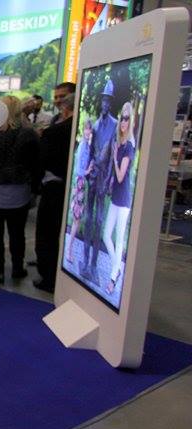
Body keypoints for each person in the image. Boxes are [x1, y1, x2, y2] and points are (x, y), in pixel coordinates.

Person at [0, 95, 42, 283]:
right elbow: (36, 164)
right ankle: (18, 268)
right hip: (20, 191)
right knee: (17, 233)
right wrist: (36, 188)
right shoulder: (29, 134)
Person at [34, 93, 75, 292]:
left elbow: (41, 162)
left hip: (53, 188)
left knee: (48, 234)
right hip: (73, 188)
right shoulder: (83, 130)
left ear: (65, 108)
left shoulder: (54, 132)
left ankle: (48, 277)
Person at [82, 80, 118, 283]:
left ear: (110, 103)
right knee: (88, 218)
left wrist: (111, 179)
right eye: (103, 100)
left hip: (104, 177)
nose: (104, 104)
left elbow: (113, 155)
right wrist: (88, 172)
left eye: (107, 101)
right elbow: (90, 152)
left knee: (98, 220)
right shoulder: (95, 125)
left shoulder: (114, 125)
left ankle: (94, 265)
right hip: (93, 176)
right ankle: (85, 260)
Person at [102, 100, 136, 296]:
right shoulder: (119, 142)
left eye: (127, 119)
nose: (123, 122)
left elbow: (121, 176)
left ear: (131, 121)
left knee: (119, 237)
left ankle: (113, 277)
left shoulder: (128, 146)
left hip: (123, 199)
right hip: (116, 196)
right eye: (122, 118)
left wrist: (115, 158)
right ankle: (118, 266)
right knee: (106, 235)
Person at [65, 119, 93, 266]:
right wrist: (87, 171)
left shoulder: (87, 145)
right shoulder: (83, 145)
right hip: (80, 184)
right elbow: (78, 170)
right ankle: (68, 250)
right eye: (86, 129)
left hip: (82, 185)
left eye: (90, 129)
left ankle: (69, 248)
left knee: (78, 220)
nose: (88, 131)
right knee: (76, 220)